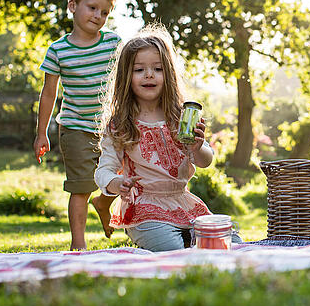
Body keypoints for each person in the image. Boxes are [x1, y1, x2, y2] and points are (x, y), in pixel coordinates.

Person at [94, 26, 220, 252]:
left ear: (168, 74)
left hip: (183, 202)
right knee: (173, 254)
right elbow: (104, 170)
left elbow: (204, 161)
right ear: (126, 77)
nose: (149, 75)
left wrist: (198, 147)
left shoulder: (181, 117)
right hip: (144, 206)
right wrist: (117, 184)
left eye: (158, 69)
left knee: (224, 245)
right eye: (139, 69)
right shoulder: (121, 124)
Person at [33, 0, 120, 250]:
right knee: (81, 187)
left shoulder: (114, 44)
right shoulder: (58, 50)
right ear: (73, 6)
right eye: (92, 8)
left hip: (112, 127)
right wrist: (41, 133)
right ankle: (78, 245)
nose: (98, 16)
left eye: (104, 12)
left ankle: (104, 202)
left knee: (128, 178)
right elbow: (49, 94)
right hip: (75, 127)